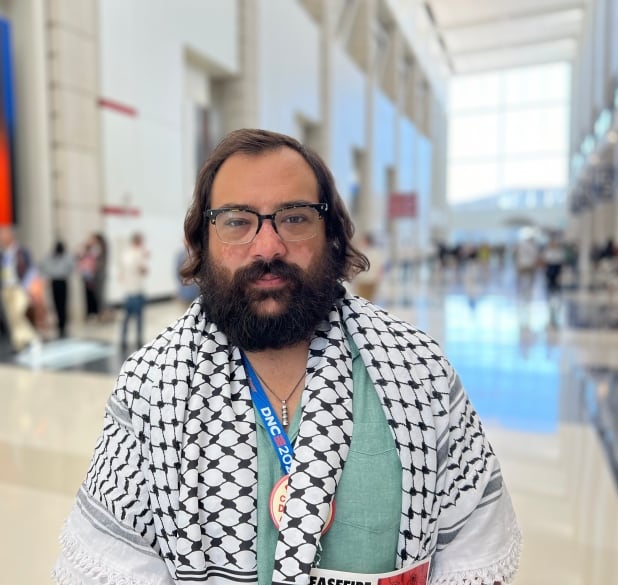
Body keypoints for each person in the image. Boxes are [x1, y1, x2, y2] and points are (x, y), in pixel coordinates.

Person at [53, 129, 521, 585]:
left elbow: (471, 548)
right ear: (203, 240)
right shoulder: (151, 385)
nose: (268, 246)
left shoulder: (417, 369)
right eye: (237, 221)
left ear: (332, 234)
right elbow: (109, 561)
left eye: (294, 218)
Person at [0, 226, 44, 352]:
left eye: (3, 235)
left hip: (19, 287)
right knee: (12, 317)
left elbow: (31, 270)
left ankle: (32, 338)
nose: (0, 238)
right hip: (6, 288)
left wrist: (28, 288)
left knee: (19, 313)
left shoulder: (22, 252)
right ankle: (18, 342)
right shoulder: (2, 253)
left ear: (10, 237)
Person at [119, 232, 149, 350]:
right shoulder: (137, 253)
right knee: (137, 318)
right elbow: (143, 270)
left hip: (130, 290)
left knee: (127, 318)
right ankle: (138, 341)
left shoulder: (126, 253)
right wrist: (143, 255)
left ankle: (124, 341)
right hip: (136, 290)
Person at [41, 240, 74, 338]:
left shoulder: (66, 257)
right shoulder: (50, 257)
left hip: (61, 281)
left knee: (63, 304)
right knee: (57, 304)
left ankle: (63, 323)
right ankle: (60, 323)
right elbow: (43, 266)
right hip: (55, 281)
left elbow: (71, 267)